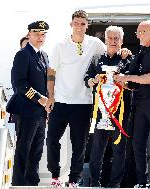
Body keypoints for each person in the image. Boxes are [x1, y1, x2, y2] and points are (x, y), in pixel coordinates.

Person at [45, 10, 106, 187]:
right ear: (71, 24)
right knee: (52, 140)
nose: (79, 27)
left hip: (83, 103)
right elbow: (51, 72)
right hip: (61, 102)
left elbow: (110, 52)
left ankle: (73, 180)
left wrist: (123, 51)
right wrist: (51, 96)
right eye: (76, 23)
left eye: (82, 24)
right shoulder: (60, 45)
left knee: (79, 145)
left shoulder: (95, 44)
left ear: (87, 25)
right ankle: (55, 176)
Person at [114, 20, 150, 189]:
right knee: (137, 143)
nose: (138, 35)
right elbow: (137, 80)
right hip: (140, 101)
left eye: (141, 32)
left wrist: (127, 78)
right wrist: (122, 82)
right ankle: (141, 181)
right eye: (137, 33)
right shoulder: (144, 49)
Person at [84, 25, 132, 188]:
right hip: (100, 113)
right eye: (110, 38)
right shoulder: (96, 58)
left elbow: (134, 83)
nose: (113, 41)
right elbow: (87, 81)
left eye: (116, 38)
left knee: (119, 150)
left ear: (122, 40)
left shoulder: (127, 59)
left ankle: (114, 184)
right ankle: (94, 183)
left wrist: (123, 81)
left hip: (120, 113)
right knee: (96, 150)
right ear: (105, 40)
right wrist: (94, 80)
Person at [6, 20, 49, 186]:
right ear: (29, 35)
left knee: (36, 151)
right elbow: (20, 84)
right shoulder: (23, 54)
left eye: (43, 34)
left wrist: (48, 101)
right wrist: (40, 98)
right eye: (37, 33)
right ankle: (19, 183)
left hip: (40, 113)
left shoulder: (43, 55)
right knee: (24, 149)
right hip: (27, 110)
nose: (40, 37)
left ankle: (32, 183)